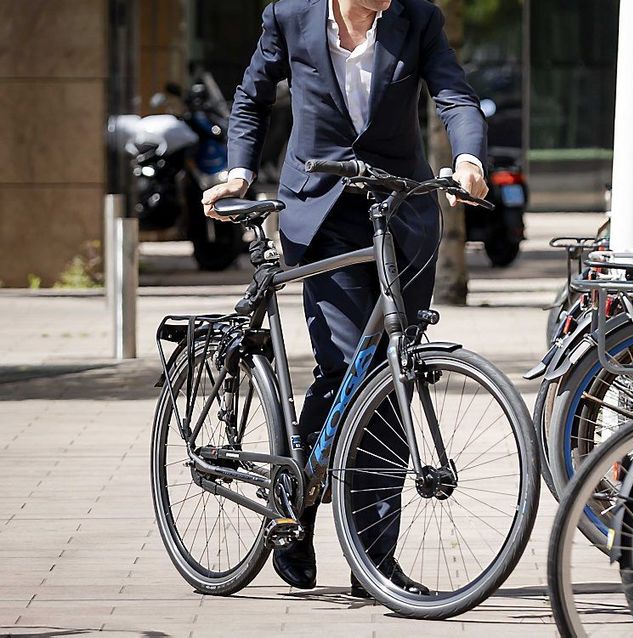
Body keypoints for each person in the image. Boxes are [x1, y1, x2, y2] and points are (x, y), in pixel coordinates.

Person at [201, 0, 488, 597]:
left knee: (395, 373)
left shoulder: (418, 18)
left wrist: (467, 159)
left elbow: (454, 94)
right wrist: (238, 172)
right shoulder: (290, 15)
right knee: (341, 366)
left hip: (399, 208)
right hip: (322, 209)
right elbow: (253, 96)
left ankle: (373, 563)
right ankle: (295, 510)